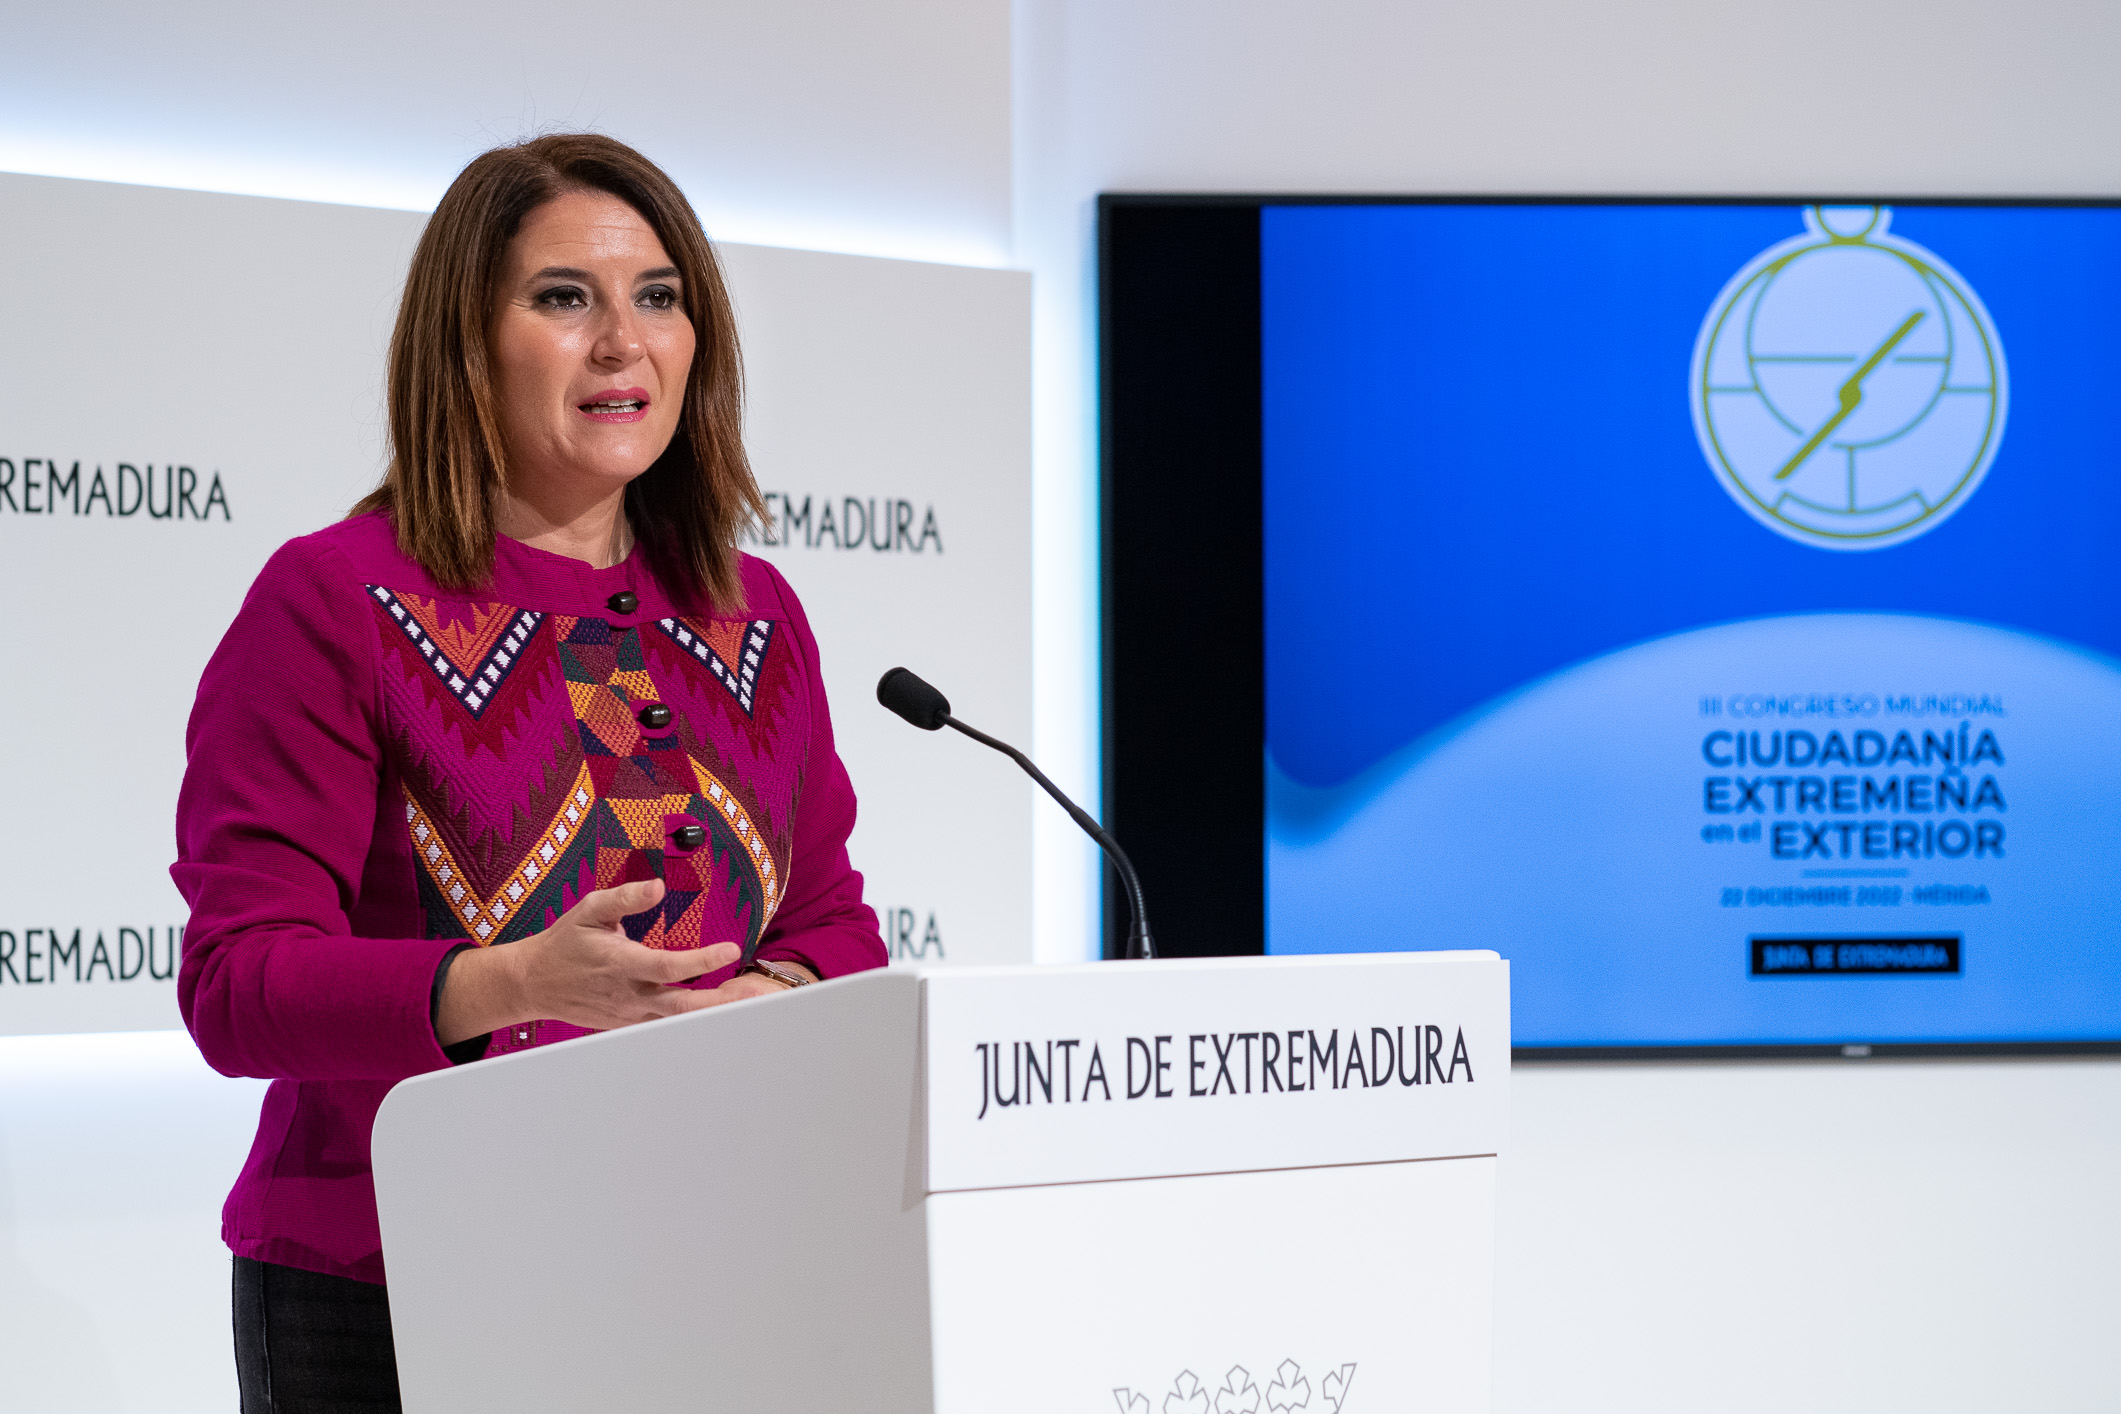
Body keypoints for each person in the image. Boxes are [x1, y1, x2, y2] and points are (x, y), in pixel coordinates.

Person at [173, 133, 887, 1413]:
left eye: (658, 297)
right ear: (468, 340)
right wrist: (515, 983)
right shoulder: (338, 601)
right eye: (566, 297)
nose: (623, 340)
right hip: (392, 1284)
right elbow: (239, 984)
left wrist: (770, 989)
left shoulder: (751, 609)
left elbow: (833, 923)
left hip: (703, 1263)